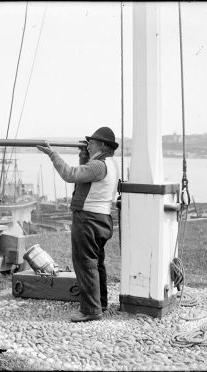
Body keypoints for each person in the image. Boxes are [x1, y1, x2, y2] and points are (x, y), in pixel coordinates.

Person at [37, 127, 120, 322]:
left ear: (101, 145)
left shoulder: (99, 166)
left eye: (91, 142)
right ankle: (99, 302)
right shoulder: (109, 163)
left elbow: (71, 174)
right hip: (102, 219)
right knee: (96, 264)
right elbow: (87, 180)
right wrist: (85, 157)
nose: (88, 145)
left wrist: (52, 154)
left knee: (85, 264)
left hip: (89, 220)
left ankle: (91, 310)